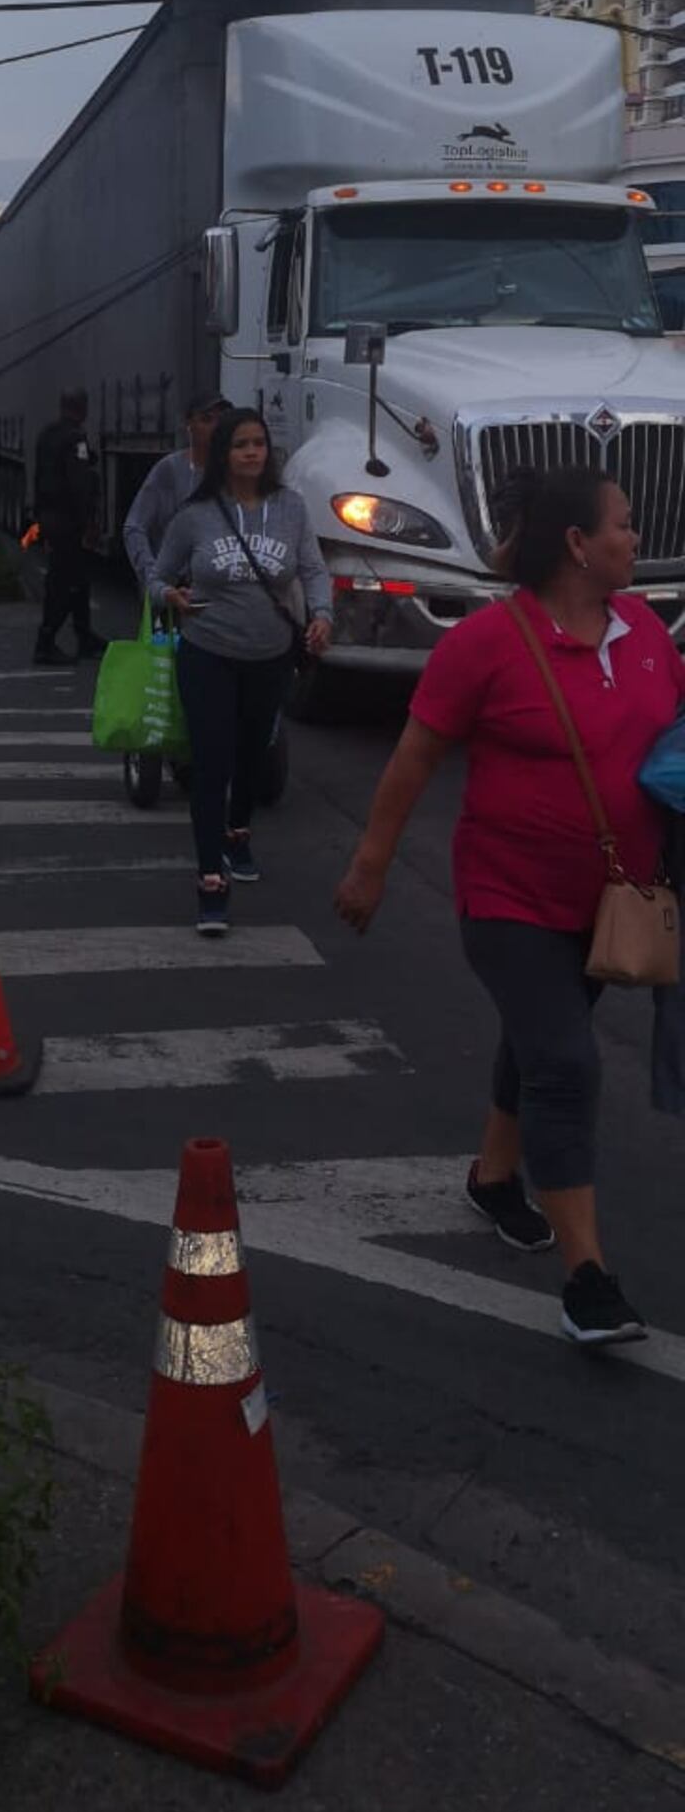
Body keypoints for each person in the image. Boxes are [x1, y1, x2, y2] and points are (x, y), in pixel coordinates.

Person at [335, 465, 685, 1350]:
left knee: (540, 1037)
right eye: (623, 526)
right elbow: (415, 755)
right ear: (577, 545)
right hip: (508, 898)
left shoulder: (646, 630)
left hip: (610, 904)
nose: (635, 541)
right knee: (566, 1061)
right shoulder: (487, 645)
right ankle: (588, 1282)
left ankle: (495, 1179)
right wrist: (371, 865)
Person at [151, 407, 332, 934]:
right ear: (224, 455)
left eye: (259, 444)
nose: (253, 453)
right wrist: (170, 595)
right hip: (207, 652)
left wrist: (321, 615)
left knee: (252, 759)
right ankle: (211, 881)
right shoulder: (196, 514)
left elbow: (313, 569)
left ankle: (238, 831)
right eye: (241, 445)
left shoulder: (291, 509)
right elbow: (158, 575)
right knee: (211, 766)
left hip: (270, 656)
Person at [123, 391, 233, 589]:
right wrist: (152, 578)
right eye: (207, 419)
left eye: (223, 419)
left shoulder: (236, 473)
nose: (217, 427)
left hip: (221, 595)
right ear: (188, 425)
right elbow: (134, 527)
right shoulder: (170, 470)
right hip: (176, 592)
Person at [32, 389, 107, 666]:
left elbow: (39, 476)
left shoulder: (47, 435)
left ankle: (84, 635)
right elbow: (79, 483)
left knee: (78, 580)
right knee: (65, 582)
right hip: (68, 521)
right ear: (82, 408)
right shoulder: (75, 438)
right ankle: (45, 642)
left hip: (50, 517)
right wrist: (89, 521)